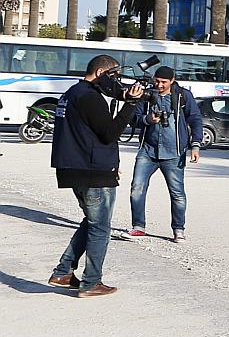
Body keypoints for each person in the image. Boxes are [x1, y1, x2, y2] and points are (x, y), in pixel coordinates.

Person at [49, 54, 145, 297]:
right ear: (101, 73)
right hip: (93, 173)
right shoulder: (90, 98)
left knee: (91, 222)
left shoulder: (72, 93)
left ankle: (63, 273)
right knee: (100, 228)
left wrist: (123, 96)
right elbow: (109, 133)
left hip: (75, 169)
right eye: (113, 76)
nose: (116, 82)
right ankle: (91, 283)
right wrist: (131, 104)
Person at [127, 66, 203, 242]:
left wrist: (196, 146)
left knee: (177, 193)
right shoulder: (146, 95)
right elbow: (133, 118)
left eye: (163, 82)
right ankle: (138, 226)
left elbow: (196, 119)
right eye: (157, 81)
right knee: (136, 188)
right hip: (148, 150)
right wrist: (147, 120)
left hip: (174, 152)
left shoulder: (183, 96)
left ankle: (178, 230)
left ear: (172, 80)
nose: (159, 85)